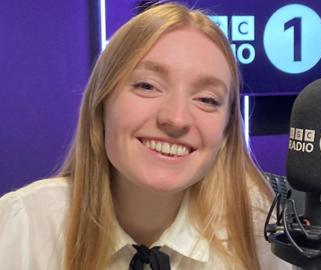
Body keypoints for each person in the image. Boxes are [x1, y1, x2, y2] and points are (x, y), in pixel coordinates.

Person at [0, 2, 291, 270]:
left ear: (226, 130)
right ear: (102, 105)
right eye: (147, 86)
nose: (176, 118)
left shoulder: (259, 239)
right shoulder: (22, 226)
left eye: (206, 99)